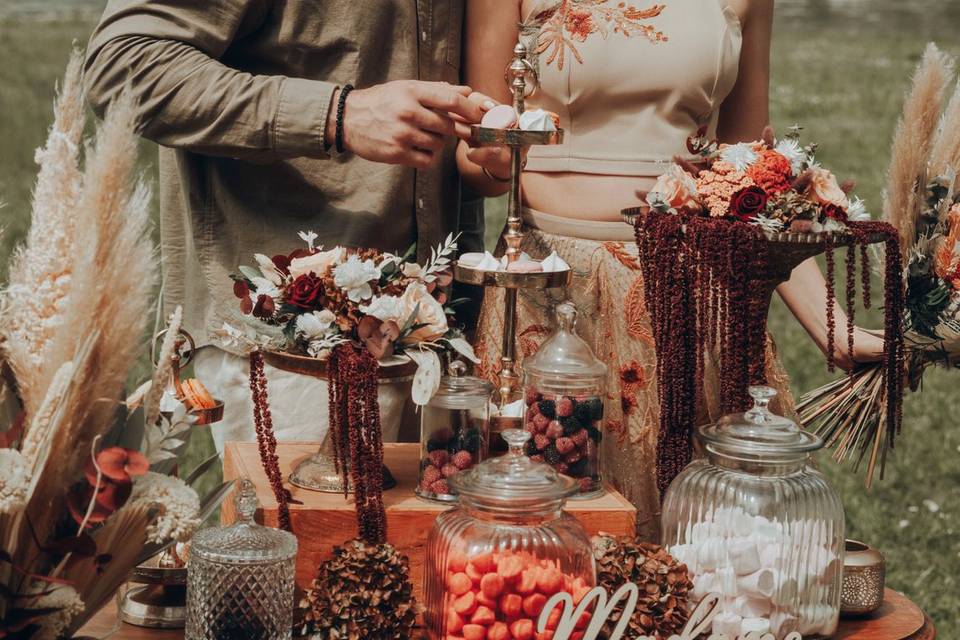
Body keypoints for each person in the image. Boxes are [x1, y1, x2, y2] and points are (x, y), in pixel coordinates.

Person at [459, 0, 884, 536]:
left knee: (707, 544)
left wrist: (833, 328)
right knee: (542, 542)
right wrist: (493, 159)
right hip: (552, 288)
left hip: (690, 292)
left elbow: (748, 182)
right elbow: (474, 151)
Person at [84, 0, 485, 451]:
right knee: (301, 522)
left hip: (441, 329)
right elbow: (122, 63)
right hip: (292, 347)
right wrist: (338, 114)